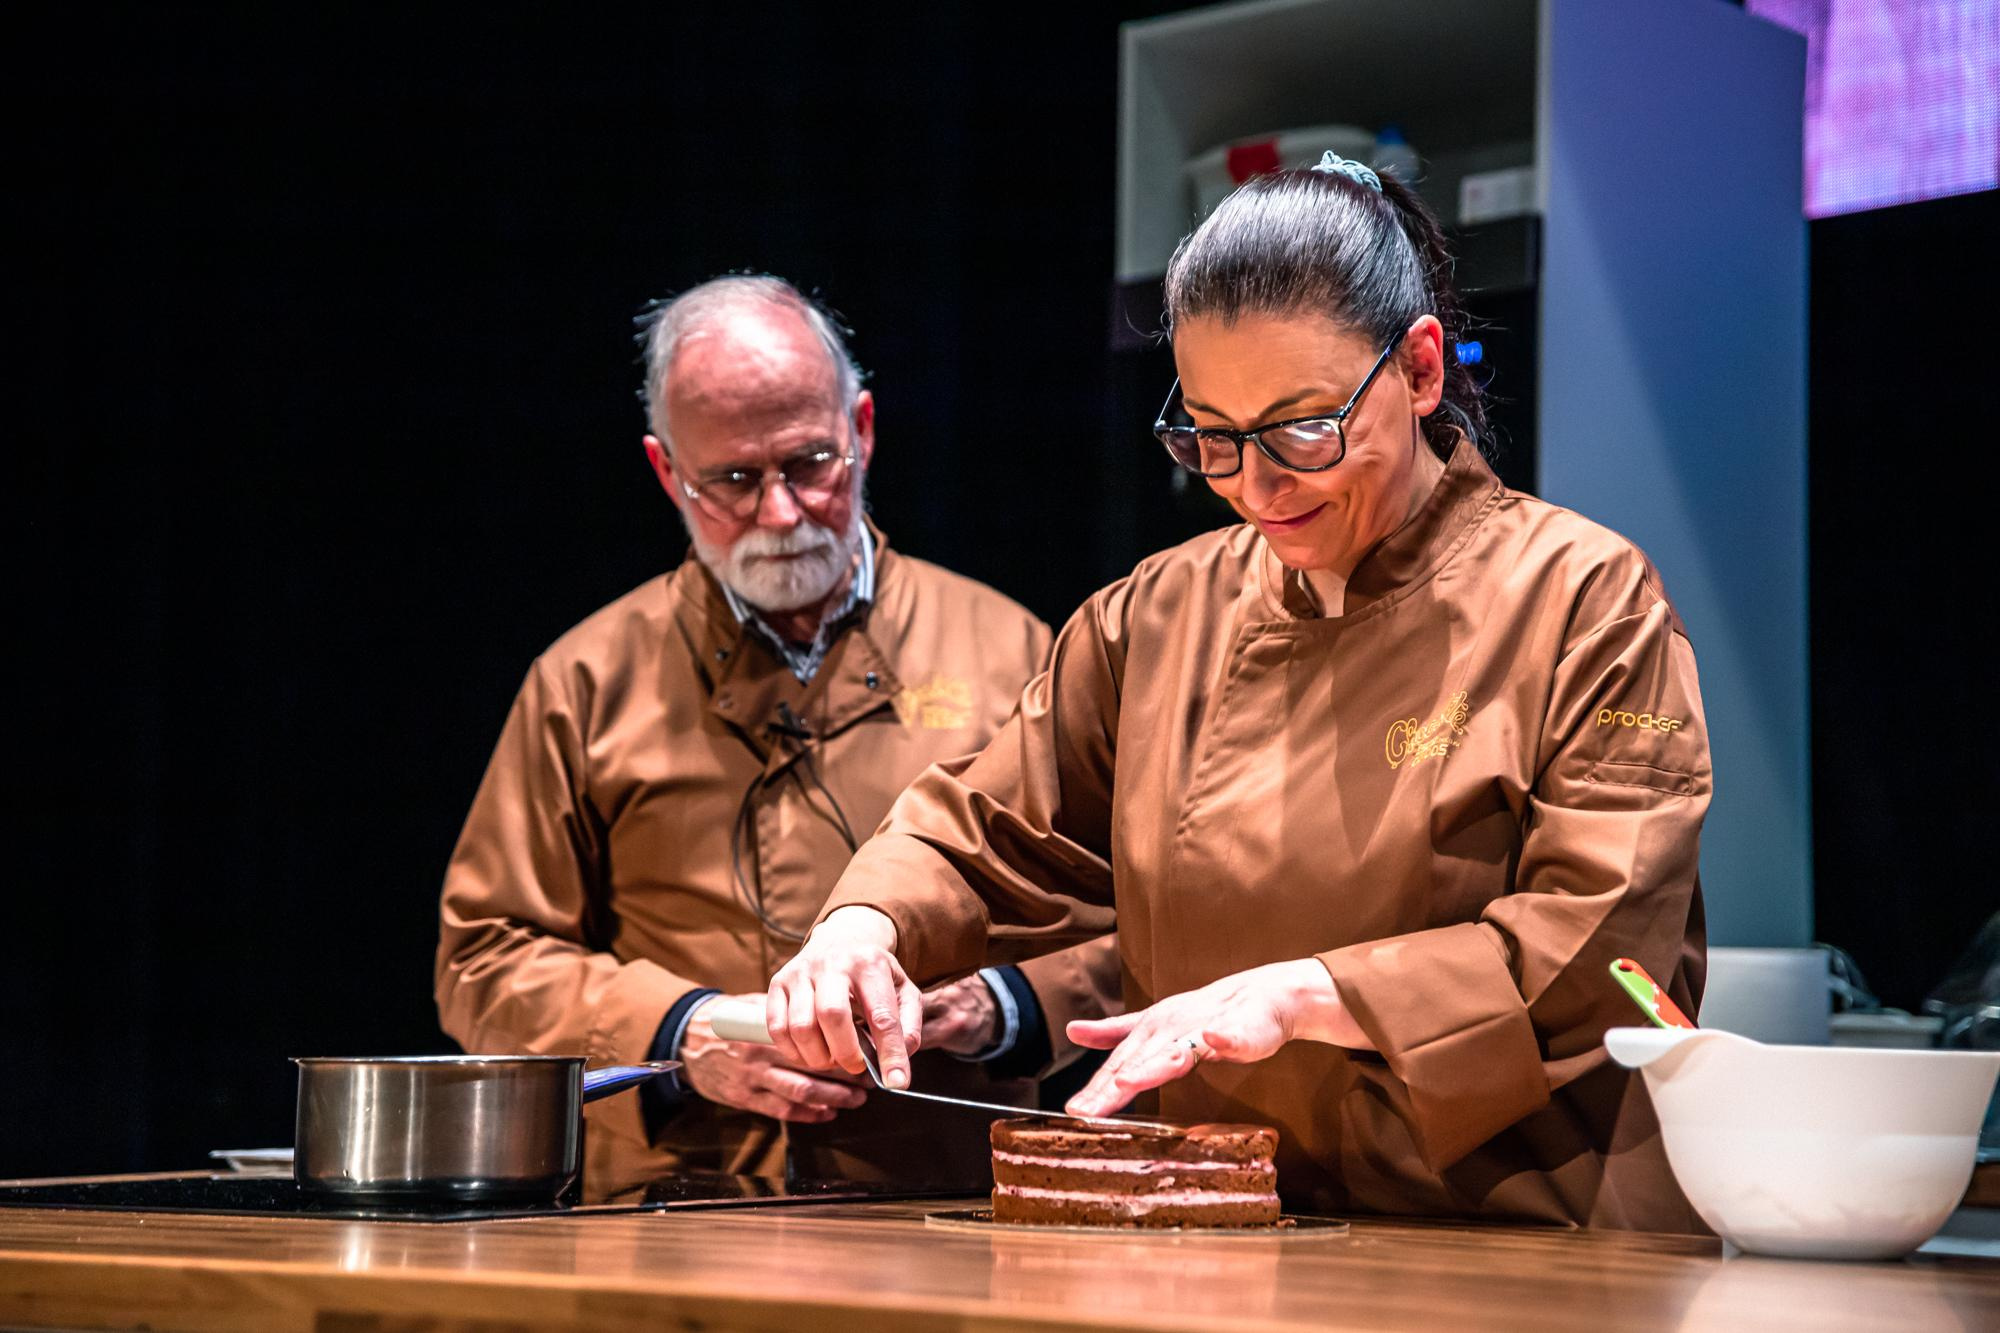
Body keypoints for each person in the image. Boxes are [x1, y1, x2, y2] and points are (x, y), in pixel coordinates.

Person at [765, 157, 1711, 1231]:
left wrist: (1308, 992)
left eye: (1302, 429)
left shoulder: (1581, 596)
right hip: (1228, 1226)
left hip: (1517, 1229)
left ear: (1418, 368)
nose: (1256, 487)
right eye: (1211, 436)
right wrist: (859, 926)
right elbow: (979, 825)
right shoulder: (1156, 616)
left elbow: (1606, 948)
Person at [435, 275, 1119, 1194]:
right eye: (733, 481)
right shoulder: (586, 679)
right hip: (675, 1209)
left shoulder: (1013, 650)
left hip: (945, 1205)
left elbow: (1139, 916)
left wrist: (996, 1003)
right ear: (666, 472)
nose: (781, 514)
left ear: (864, 430)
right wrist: (681, 1028)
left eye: (809, 465)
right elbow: (484, 955)